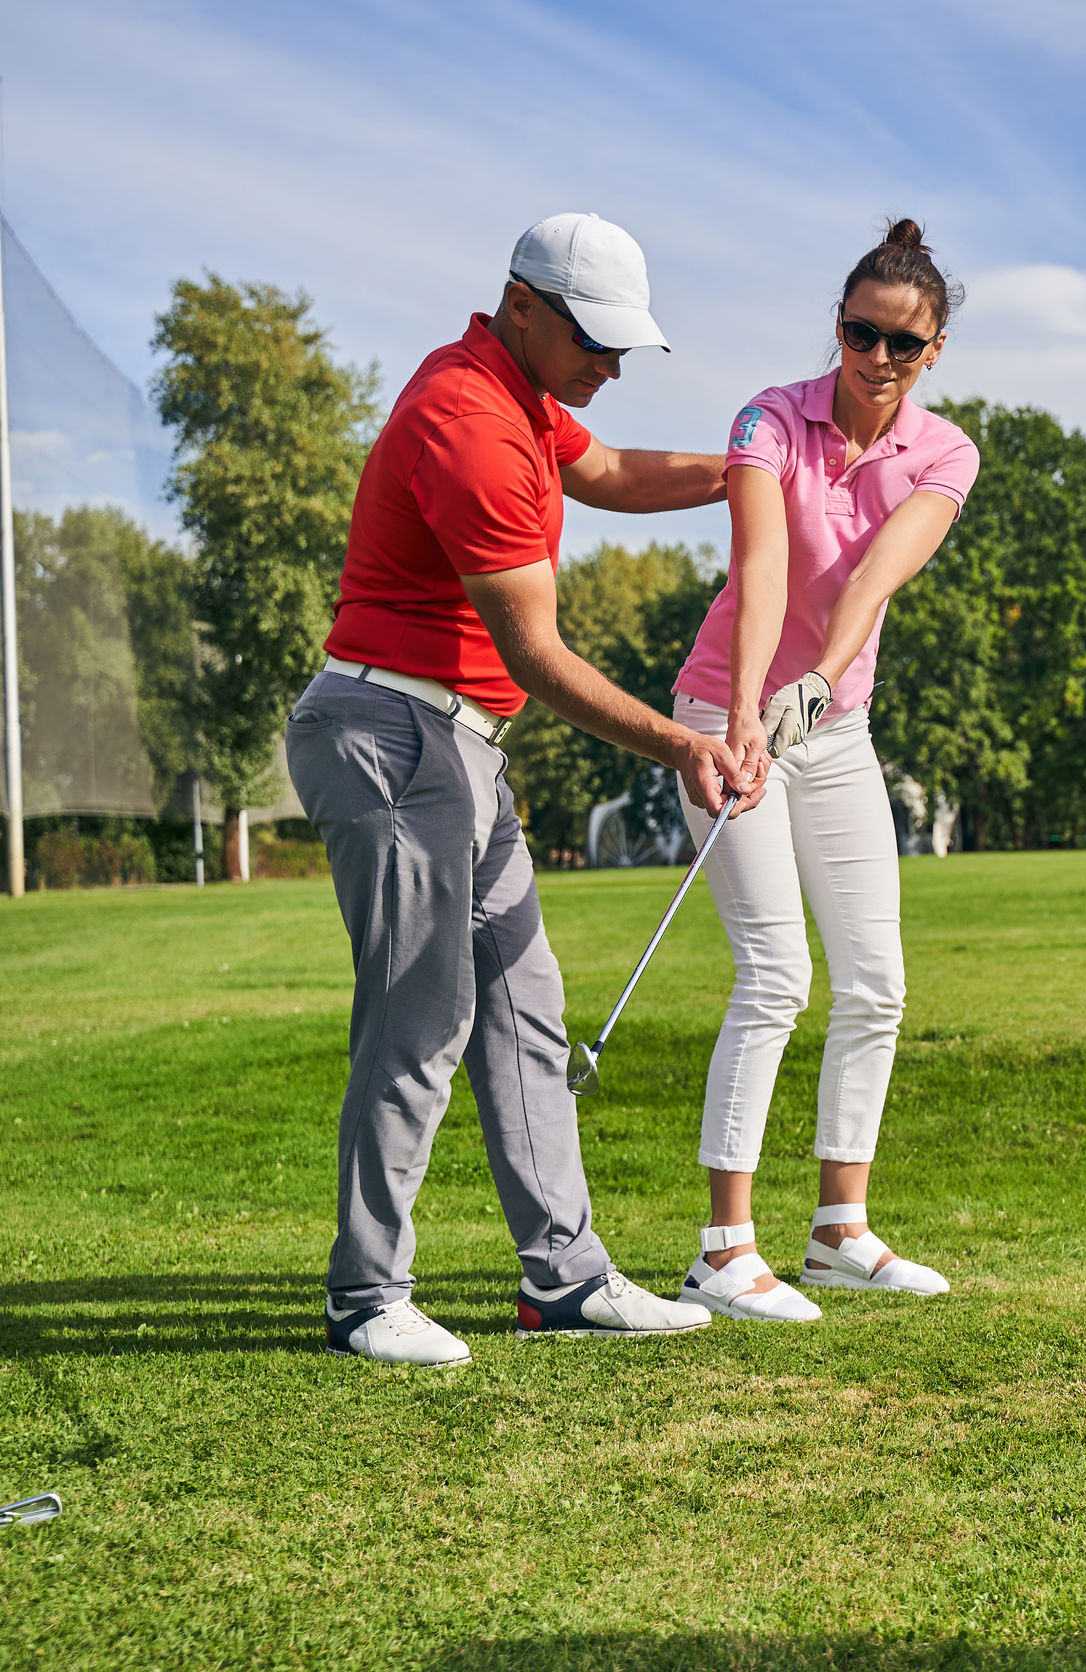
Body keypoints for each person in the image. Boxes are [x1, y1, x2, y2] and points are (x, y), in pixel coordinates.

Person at [288, 212, 761, 1366]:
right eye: (594, 342)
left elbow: (606, 472)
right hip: (392, 731)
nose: (608, 366)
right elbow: (542, 661)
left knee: (523, 1005)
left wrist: (748, 477)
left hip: (457, 741)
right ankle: (367, 1295)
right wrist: (685, 746)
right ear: (523, 307)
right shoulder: (468, 422)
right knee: (421, 1014)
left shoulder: (524, 399)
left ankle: (565, 1276)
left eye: (621, 349)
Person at [666, 220, 979, 1320]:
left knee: (877, 984)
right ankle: (722, 1247)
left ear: (933, 351)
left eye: (904, 344)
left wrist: (812, 690)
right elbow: (759, 566)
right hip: (720, 712)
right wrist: (749, 710)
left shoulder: (944, 453)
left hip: (835, 727)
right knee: (774, 974)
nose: (878, 357)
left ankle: (840, 1229)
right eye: (862, 332)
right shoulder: (768, 417)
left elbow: (874, 579)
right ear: (836, 326)